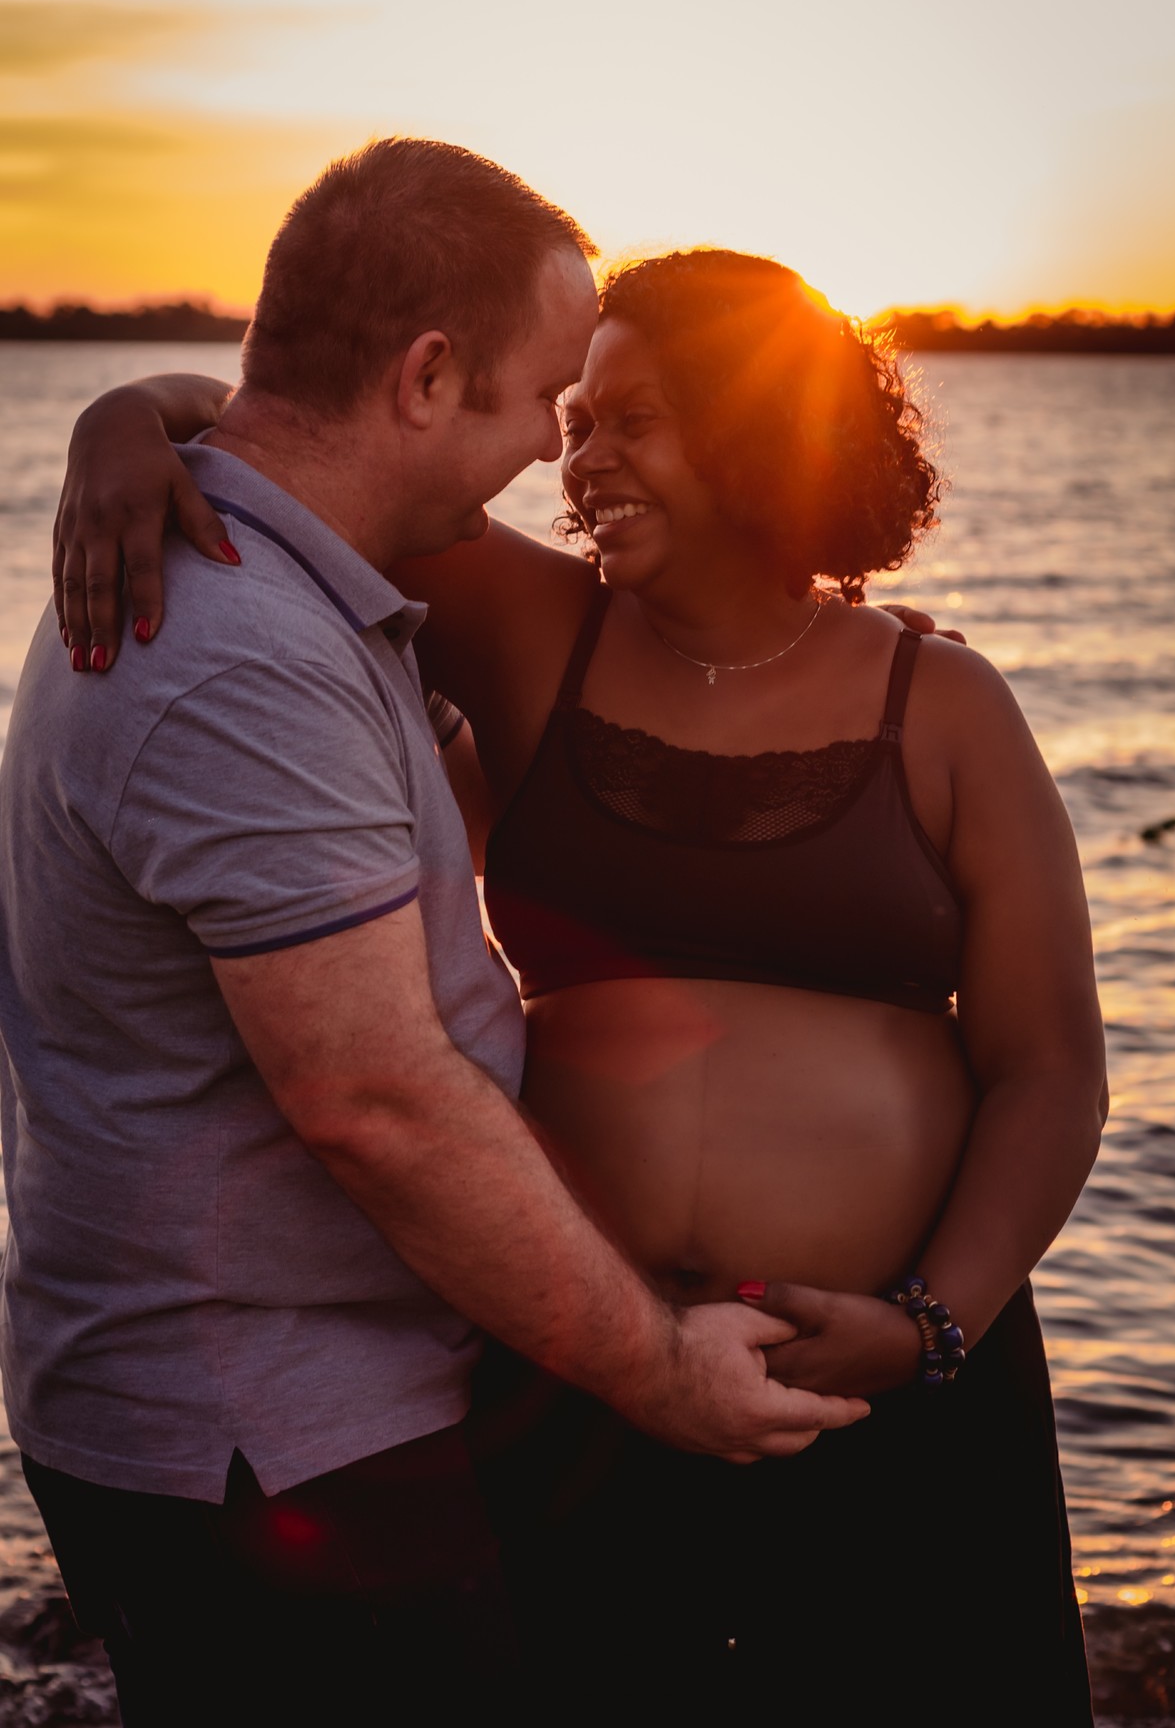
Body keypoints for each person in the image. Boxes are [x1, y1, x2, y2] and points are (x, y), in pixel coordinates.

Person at [53, 249, 1106, 1725]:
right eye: (576, 413)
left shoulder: (943, 706)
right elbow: (288, 436)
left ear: (755, 429)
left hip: (891, 1388)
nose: (575, 455)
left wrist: (933, 1326)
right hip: (577, 1384)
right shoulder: (536, 623)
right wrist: (120, 418)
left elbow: (1049, 1068)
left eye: (632, 421)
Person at [0, 147, 870, 1728]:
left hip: (309, 1408)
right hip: (272, 1440)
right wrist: (661, 1376)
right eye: (544, 397)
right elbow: (377, 1105)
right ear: (427, 376)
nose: (550, 452)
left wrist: (125, 411)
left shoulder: (282, 578)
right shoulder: (239, 655)